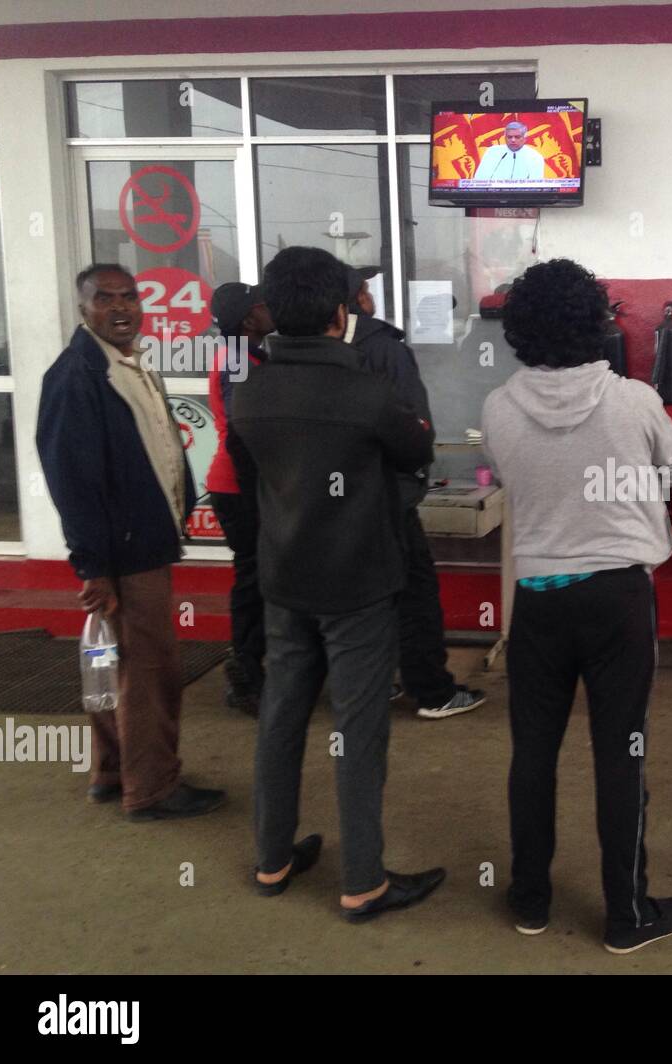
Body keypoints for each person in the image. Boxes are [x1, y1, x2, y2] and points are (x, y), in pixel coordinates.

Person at [482, 257, 672, 953]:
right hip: (618, 600)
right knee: (621, 752)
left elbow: (518, 479)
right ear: (598, 323)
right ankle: (627, 914)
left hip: (537, 599)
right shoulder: (636, 401)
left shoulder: (497, 406)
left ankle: (530, 900)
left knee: (531, 755)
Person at [229, 246, 444, 921]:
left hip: (284, 579)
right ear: (337, 314)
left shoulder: (250, 391)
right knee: (358, 731)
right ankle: (362, 882)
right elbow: (417, 449)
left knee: (282, 717)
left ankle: (272, 860)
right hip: (358, 586)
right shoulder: (368, 394)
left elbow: (254, 469)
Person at [37, 264, 225, 820]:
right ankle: (152, 790)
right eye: (105, 299)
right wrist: (93, 566)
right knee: (150, 671)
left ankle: (114, 771)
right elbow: (72, 479)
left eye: (129, 297)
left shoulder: (125, 364)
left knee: (118, 663)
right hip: (122, 552)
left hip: (139, 540)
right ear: (82, 309)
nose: (121, 308)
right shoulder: (77, 376)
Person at [343, 265, 485, 719]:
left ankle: (373, 683)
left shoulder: (300, 352)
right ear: (353, 300)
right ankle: (432, 692)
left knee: (361, 597)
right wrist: (413, 477)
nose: (370, 297)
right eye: (364, 290)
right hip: (387, 497)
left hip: (334, 503)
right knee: (415, 594)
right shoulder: (384, 348)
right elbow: (414, 428)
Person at [205, 282, 273, 717]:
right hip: (239, 488)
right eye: (264, 306)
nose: (272, 311)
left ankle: (254, 666)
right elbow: (243, 436)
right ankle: (246, 675)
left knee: (258, 578)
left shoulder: (248, 356)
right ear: (249, 319)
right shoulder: (237, 361)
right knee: (252, 580)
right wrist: (261, 497)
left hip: (243, 487)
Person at [472, 121, 546, 181]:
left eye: (517, 137)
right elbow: (479, 179)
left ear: (524, 138)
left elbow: (536, 185)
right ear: (505, 138)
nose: (513, 140)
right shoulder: (492, 152)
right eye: (509, 137)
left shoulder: (534, 156)